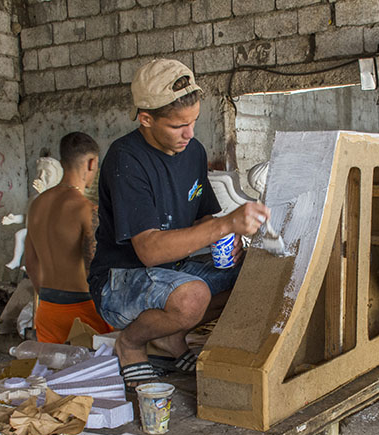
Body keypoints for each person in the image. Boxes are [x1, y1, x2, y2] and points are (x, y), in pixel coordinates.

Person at [88, 59, 269, 389]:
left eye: (194, 121)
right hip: (120, 280)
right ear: (146, 119)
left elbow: (204, 217)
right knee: (191, 297)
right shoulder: (125, 158)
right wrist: (227, 224)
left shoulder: (194, 151)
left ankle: (171, 340)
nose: (189, 133)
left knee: (254, 278)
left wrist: (231, 244)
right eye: (177, 126)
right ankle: (130, 344)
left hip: (175, 270)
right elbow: (150, 252)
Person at [25, 132, 113, 344]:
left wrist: (48, 298)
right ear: (92, 163)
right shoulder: (86, 210)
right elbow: (95, 268)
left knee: (53, 375)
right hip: (83, 310)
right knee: (92, 374)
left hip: (47, 308)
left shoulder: (37, 205)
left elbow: (30, 261)